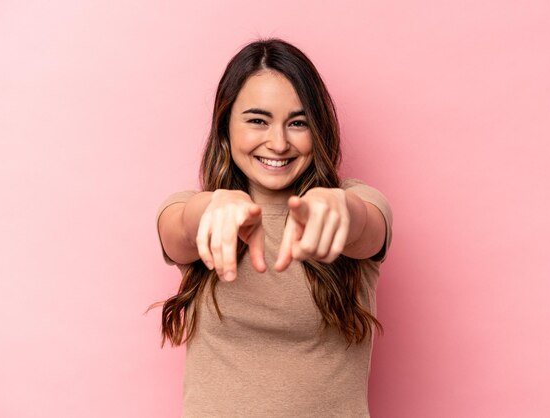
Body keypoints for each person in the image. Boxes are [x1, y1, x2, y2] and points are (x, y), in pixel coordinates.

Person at [155, 39, 392, 417]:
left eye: (298, 123)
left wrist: (341, 209)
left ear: (319, 129)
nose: (278, 143)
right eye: (257, 121)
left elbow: (368, 226)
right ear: (225, 127)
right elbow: (180, 227)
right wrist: (212, 208)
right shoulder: (197, 212)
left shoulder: (354, 203)